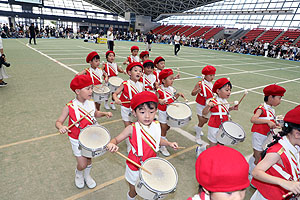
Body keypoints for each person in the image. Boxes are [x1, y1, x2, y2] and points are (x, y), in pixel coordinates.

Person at [107, 91, 178, 200]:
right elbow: (116, 139)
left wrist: (168, 143)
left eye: (151, 111)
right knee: (134, 191)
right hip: (135, 166)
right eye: (142, 112)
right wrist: (112, 144)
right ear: (134, 113)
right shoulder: (131, 128)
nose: (147, 116)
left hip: (151, 164)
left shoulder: (156, 125)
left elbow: (156, 141)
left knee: (149, 191)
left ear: (156, 111)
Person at [55, 75, 112, 189]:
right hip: (76, 138)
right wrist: (61, 127)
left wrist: (104, 113)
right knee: (82, 163)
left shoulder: (91, 102)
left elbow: (95, 114)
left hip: (90, 138)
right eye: (87, 88)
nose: (91, 91)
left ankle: (87, 176)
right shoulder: (69, 106)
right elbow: (58, 121)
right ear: (77, 91)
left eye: (91, 88)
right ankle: (79, 173)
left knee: (89, 160)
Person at [251, 105, 300, 200]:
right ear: (297, 134)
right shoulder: (277, 151)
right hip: (267, 197)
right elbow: (256, 172)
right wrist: (285, 183)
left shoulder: (295, 145)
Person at [248, 84, 286, 183]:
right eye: (279, 98)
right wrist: (267, 122)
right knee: (258, 156)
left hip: (265, 135)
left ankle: (249, 168)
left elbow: (270, 121)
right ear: (270, 97)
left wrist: (275, 124)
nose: (280, 101)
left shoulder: (271, 109)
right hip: (259, 135)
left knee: (257, 154)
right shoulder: (262, 108)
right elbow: (253, 119)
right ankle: (252, 177)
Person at [198, 78, 238, 155]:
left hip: (223, 126)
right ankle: (201, 149)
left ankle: (203, 149)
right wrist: (208, 106)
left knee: (221, 145)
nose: (229, 92)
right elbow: (204, 113)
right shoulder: (213, 101)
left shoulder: (226, 102)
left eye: (230, 90)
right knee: (213, 147)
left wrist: (231, 108)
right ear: (218, 91)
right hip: (214, 126)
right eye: (226, 90)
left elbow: (224, 112)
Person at [113, 62, 144, 153]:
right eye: (135, 71)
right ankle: (129, 143)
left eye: (140, 71)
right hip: (126, 108)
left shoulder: (141, 85)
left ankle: (136, 140)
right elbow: (115, 93)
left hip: (136, 109)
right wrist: (116, 99)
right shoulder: (125, 83)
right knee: (128, 126)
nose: (138, 73)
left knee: (137, 126)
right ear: (129, 73)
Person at [156, 69, 185, 156]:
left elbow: (172, 99)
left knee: (167, 127)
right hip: (163, 111)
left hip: (170, 112)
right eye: (170, 79)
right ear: (163, 80)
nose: (172, 80)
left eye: (173, 79)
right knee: (164, 127)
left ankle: (162, 137)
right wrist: (159, 100)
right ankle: (161, 146)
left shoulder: (171, 89)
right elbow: (155, 99)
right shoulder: (159, 90)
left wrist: (178, 94)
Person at [191, 65, 216, 144]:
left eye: (213, 75)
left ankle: (197, 127)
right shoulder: (200, 83)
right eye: (210, 75)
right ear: (204, 75)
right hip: (200, 104)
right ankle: (197, 136)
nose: (212, 77)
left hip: (207, 105)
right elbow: (192, 93)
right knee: (202, 120)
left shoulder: (211, 84)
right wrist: (197, 91)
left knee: (204, 121)